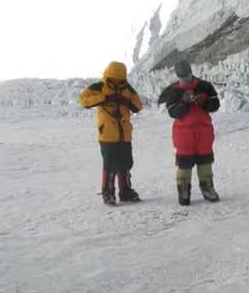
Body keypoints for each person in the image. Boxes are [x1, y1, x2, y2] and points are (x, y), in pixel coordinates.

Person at [79, 61, 143, 205]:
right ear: (108, 76)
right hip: (108, 134)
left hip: (124, 134)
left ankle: (125, 191)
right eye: (114, 78)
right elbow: (83, 100)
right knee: (110, 165)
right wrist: (104, 98)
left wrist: (125, 101)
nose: (116, 81)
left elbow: (138, 106)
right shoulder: (99, 87)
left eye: (119, 79)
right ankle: (107, 193)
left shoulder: (127, 88)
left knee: (125, 163)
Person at [157, 60, 220, 205]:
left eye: (186, 76)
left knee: (205, 161)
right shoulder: (173, 91)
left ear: (190, 72)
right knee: (184, 163)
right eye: (182, 77)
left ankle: (208, 189)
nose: (184, 79)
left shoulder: (204, 86)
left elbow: (215, 105)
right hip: (183, 132)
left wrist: (203, 102)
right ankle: (183, 192)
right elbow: (173, 113)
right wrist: (184, 103)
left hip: (204, 130)